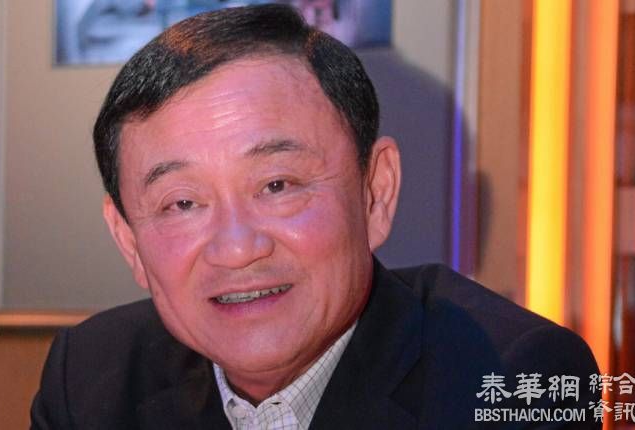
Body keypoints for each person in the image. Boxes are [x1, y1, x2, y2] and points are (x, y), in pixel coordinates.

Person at [31, 4, 601, 429]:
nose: (237, 248)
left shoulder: (516, 379)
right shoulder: (89, 378)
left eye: (277, 185)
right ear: (128, 240)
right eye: (183, 203)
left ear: (376, 192)